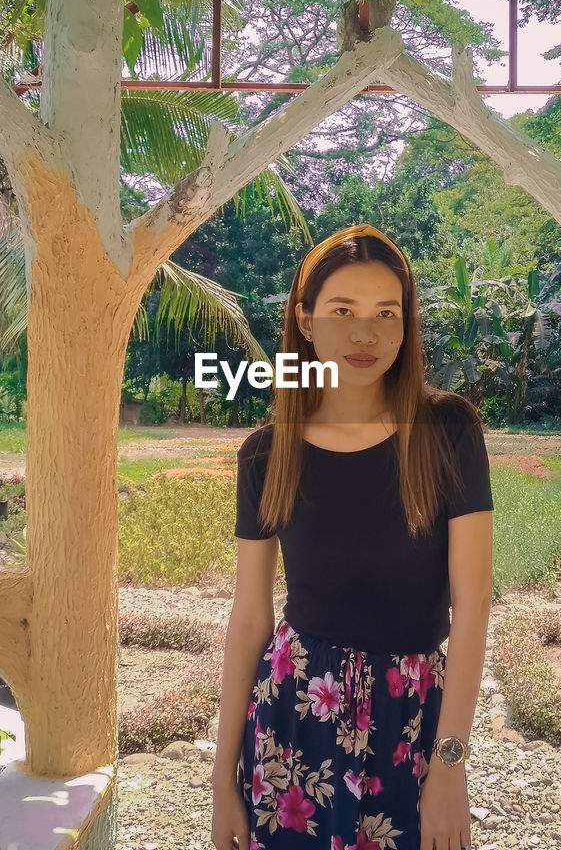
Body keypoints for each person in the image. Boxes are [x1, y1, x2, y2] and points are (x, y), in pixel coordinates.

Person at [211, 223, 495, 850]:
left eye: (385, 313)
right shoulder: (266, 454)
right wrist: (220, 779)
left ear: (405, 323)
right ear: (305, 320)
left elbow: (472, 605)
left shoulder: (448, 431)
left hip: (413, 721)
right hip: (292, 719)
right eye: (343, 311)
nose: (365, 333)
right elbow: (251, 616)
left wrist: (449, 765)